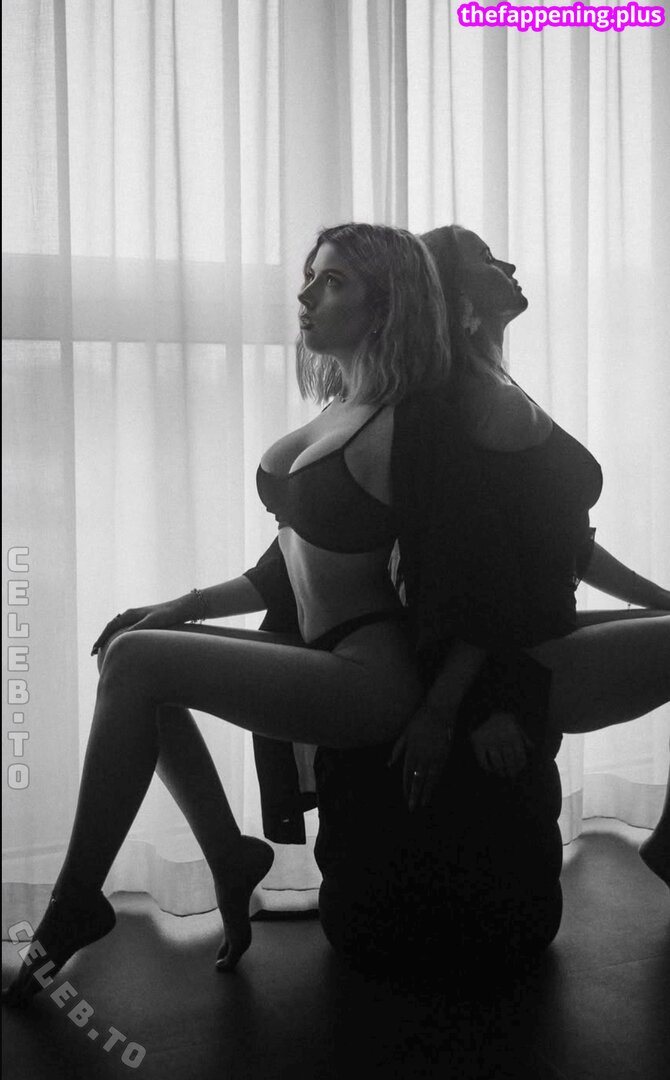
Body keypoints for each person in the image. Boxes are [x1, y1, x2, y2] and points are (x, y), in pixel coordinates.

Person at [2, 221, 668, 1005]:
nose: (307, 294)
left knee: (138, 663)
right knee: (136, 646)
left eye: (333, 281)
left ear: (388, 302)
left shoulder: (418, 422)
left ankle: (81, 900)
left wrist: (450, 708)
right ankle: (227, 857)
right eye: (310, 277)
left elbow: (485, 575)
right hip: (337, 652)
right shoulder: (346, 406)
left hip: (374, 672)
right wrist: (184, 604)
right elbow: (290, 561)